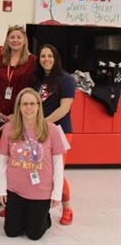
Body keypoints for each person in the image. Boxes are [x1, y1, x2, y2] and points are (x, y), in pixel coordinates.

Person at [0, 88, 65, 240]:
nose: (29, 108)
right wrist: (2, 190)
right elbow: (2, 161)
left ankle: (43, 217)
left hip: (40, 190)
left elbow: (58, 163)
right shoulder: (9, 128)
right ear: (19, 107)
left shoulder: (51, 129)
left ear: (39, 106)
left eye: (33, 104)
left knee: (34, 234)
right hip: (16, 189)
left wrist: (57, 193)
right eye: (25, 104)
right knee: (11, 232)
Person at [33, 44, 76, 225]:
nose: (46, 59)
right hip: (38, 130)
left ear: (56, 58)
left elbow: (64, 108)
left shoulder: (66, 79)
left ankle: (67, 209)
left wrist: (45, 124)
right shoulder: (37, 79)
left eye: (50, 56)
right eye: (43, 56)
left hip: (60, 131)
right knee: (31, 167)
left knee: (56, 171)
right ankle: (25, 204)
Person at [0, 25, 37, 128]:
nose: (15, 40)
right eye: (12, 37)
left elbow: (34, 89)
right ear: (7, 40)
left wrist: (18, 114)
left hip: (22, 115)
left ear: (25, 41)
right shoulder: (1, 60)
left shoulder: (32, 61)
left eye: (19, 37)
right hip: (0, 115)